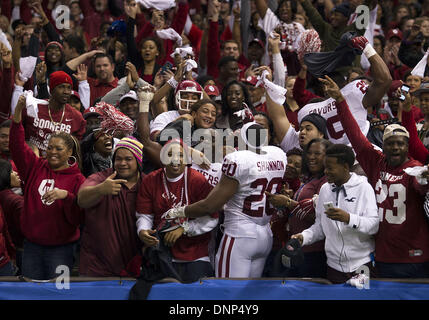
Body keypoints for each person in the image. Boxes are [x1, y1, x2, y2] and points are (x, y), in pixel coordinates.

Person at [321, 74, 429, 278]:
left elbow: (420, 184)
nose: (396, 147)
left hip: (415, 256)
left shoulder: (414, 167)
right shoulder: (376, 162)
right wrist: (340, 100)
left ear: (408, 147)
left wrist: (425, 179)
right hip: (383, 255)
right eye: (391, 142)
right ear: (383, 146)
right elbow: (355, 135)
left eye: (401, 143)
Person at [162, 123, 287, 278]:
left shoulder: (239, 160)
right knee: (249, 294)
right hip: (265, 234)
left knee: (226, 293)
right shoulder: (278, 154)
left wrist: (179, 211)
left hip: (240, 234)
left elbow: (209, 206)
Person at [10, 94, 85, 280]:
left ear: (70, 152)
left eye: (58, 149)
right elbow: (17, 145)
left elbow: (79, 217)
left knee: (59, 294)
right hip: (32, 247)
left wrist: (66, 196)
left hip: (62, 249)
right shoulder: (35, 167)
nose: (52, 152)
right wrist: (18, 112)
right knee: (30, 293)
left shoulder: (78, 179)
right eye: (50, 147)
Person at [292, 144, 379, 284]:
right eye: (325, 167)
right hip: (334, 267)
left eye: (330, 168)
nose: (326, 171)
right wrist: (304, 237)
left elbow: (373, 225)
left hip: (362, 265)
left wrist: (348, 218)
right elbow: (320, 226)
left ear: (345, 167)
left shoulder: (364, 188)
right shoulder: (325, 189)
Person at [136, 139, 218, 282]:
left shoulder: (198, 180)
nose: (175, 159)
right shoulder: (150, 180)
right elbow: (145, 214)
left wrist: (184, 228)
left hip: (195, 252)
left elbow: (212, 218)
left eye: (180, 155)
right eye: (169, 154)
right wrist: (143, 230)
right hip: (162, 251)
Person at [77, 136, 144, 276]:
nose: (122, 163)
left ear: (138, 161)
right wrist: (100, 189)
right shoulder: (101, 179)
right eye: (118, 159)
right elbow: (82, 200)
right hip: (97, 266)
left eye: (128, 159)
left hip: (134, 266)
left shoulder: (148, 183)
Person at [12, 71, 86, 156]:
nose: (66, 91)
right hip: (30, 160)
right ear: (52, 89)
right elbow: (16, 130)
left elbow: (76, 148)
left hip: (58, 165)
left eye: (69, 88)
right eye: (61, 87)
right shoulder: (34, 106)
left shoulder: (77, 117)